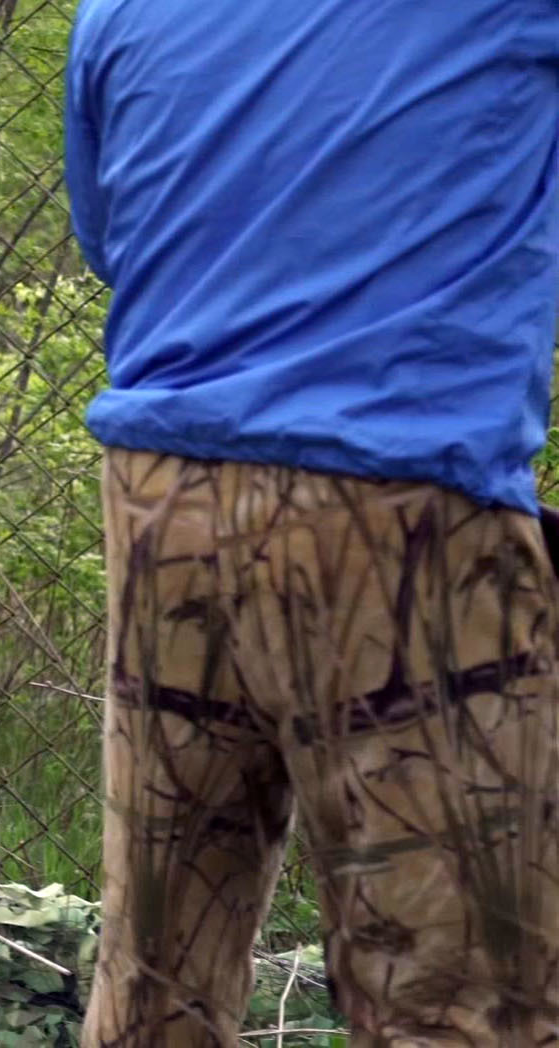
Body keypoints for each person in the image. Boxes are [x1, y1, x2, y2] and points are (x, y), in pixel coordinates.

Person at [62, 3, 559, 1045]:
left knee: (155, 978)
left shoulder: (121, 10)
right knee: (457, 993)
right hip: (401, 512)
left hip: (165, 499)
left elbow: (112, 242)